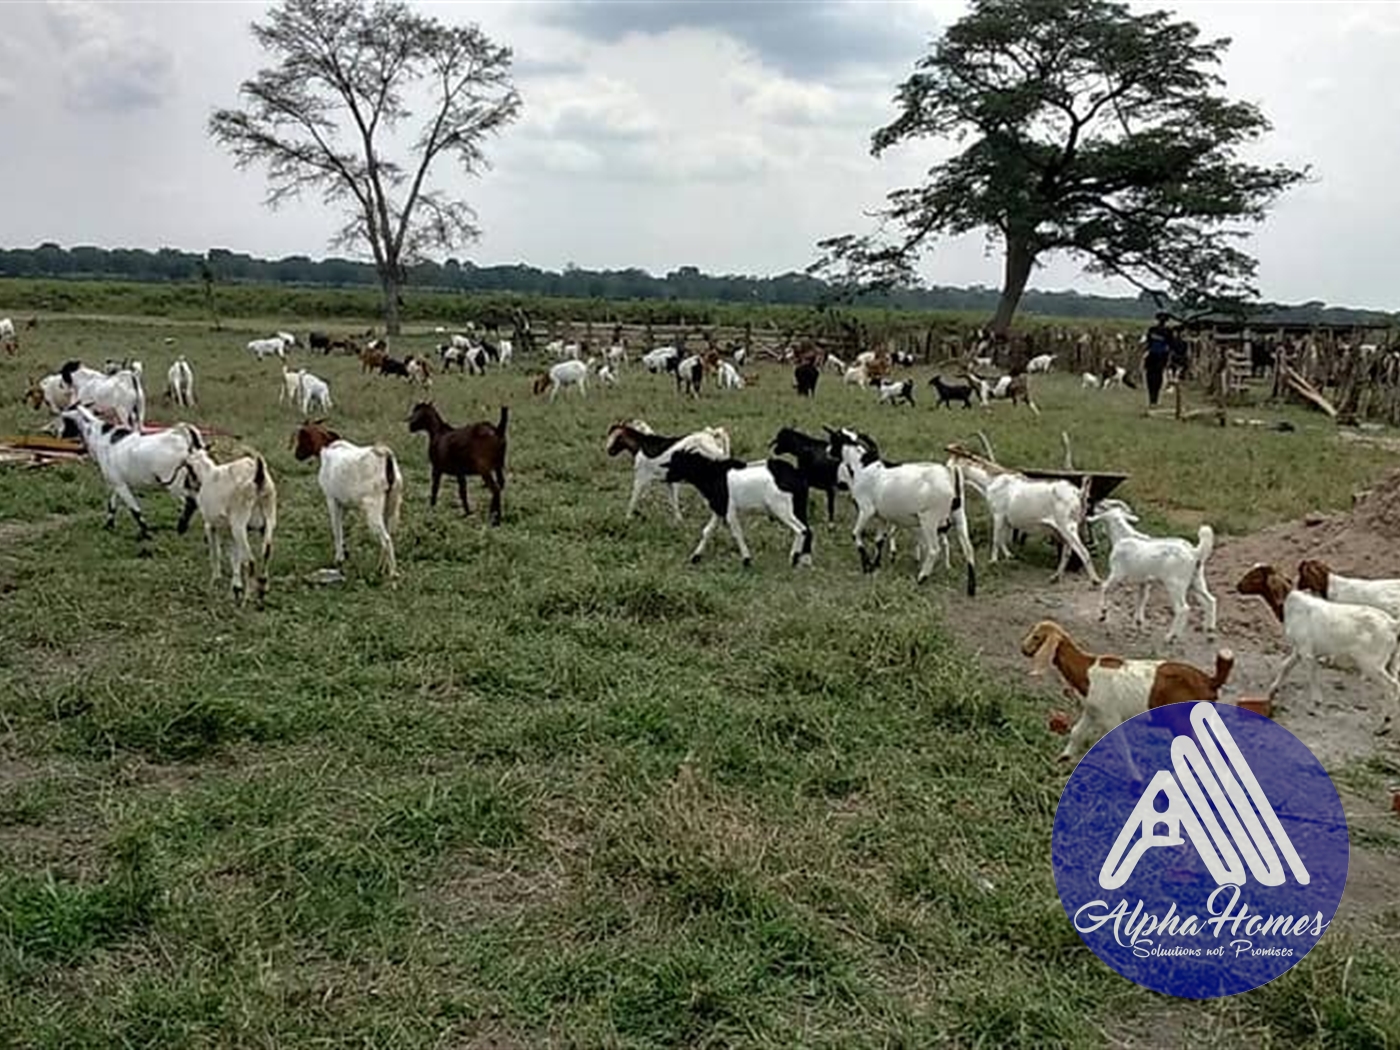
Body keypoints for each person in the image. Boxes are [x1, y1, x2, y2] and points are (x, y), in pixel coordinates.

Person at [1142, 312, 1173, 407]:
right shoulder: (1164, 331)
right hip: (1157, 357)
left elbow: (1148, 343)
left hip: (1155, 356)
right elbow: (1170, 345)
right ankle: (1153, 399)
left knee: (1152, 378)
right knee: (1155, 378)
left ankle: (1153, 399)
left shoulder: (1154, 330)